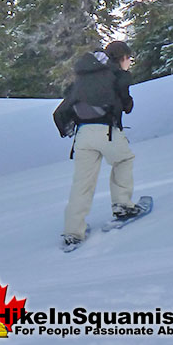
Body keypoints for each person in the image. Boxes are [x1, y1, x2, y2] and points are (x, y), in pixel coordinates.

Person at [61, 40, 138, 249]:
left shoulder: (84, 75)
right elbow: (125, 102)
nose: (129, 62)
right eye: (129, 58)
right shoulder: (116, 74)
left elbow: (67, 102)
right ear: (122, 58)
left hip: (82, 134)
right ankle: (122, 205)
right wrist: (127, 102)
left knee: (82, 183)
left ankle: (73, 231)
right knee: (124, 160)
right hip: (106, 131)